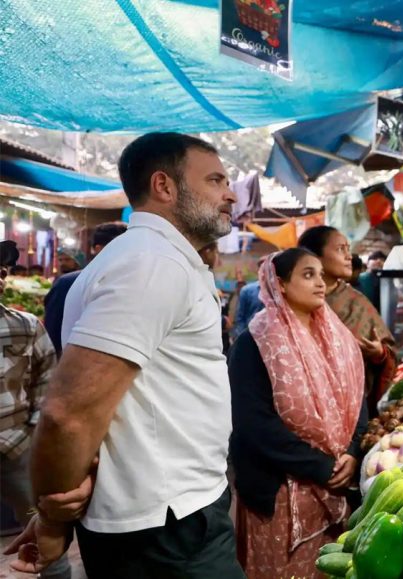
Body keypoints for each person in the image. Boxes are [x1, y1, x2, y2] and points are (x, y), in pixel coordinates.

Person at [7, 132, 245, 578]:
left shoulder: (154, 258)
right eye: (215, 180)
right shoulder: (152, 263)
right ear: (164, 186)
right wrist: (54, 517)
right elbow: (68, 414)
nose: (230, 193)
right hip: (167, 527)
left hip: (168, 513)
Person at [229, 249, 367, 578]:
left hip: (335, 489)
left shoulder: (337, 338)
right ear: (280, 284)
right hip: (278, 495)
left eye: (320, 275)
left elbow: (356, 397)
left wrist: (352, 452)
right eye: (308, 275)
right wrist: (321, 466)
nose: (320, 283)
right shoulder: (256, 342)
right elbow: (253, 424)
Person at [0, 240, 72, 579]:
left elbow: (48, 379)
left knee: (44, 530)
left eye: (2, 272)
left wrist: (30, 430)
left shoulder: (26, 325)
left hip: (16, 446)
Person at [298, 226, 397, 410]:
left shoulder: (357, 302)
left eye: (348, 249)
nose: (349, 256)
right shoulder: (294, 303)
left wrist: (379, 354)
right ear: (314, 257)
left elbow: (388, 353)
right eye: (340, 249)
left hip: (352, 408)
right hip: (303, 407)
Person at [44, 222, 128, 355]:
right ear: (99, 249)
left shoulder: (134, 283)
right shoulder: (68, 283)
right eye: (124, 247)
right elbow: (52, 335)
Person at [199, 241, 232, 354]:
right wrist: (222, 321)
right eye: (216, 252)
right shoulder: (197, 279)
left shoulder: (204, 276)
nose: (217, 257)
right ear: (207, 252)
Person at [232, 260, 265, 340]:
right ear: (259, 270)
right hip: (250, 337)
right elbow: (239, 317)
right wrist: (242, 338)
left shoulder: (279, 291)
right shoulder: (247, 290)